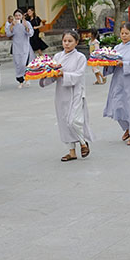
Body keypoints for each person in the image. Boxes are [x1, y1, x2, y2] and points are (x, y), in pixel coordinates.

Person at [40, 30, 93, 162]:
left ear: (76, 42)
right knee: (64, 121)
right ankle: (71, 151)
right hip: (61, 93)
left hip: (75, 92)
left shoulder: (80, 57)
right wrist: (45, 77)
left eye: (70, 41)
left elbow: (79, 75)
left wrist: (64, 74)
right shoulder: (58, 56)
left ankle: (82, 142)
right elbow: (53, 74)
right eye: (65, 41)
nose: (67, 44)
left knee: (73, 120)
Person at [5, 9, 34, 88]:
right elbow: (8, 34)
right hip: (16, 47)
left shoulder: (27, 23)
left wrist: (26, 27)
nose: (18, 17)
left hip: (25, 47)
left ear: (22, 16)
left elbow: (30, 33)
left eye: (19, 15)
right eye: (16, 16)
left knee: (24, 63)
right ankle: (20, 80)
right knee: (18, 64)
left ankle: (27, 79)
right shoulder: (12, 24)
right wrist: (12, 26)